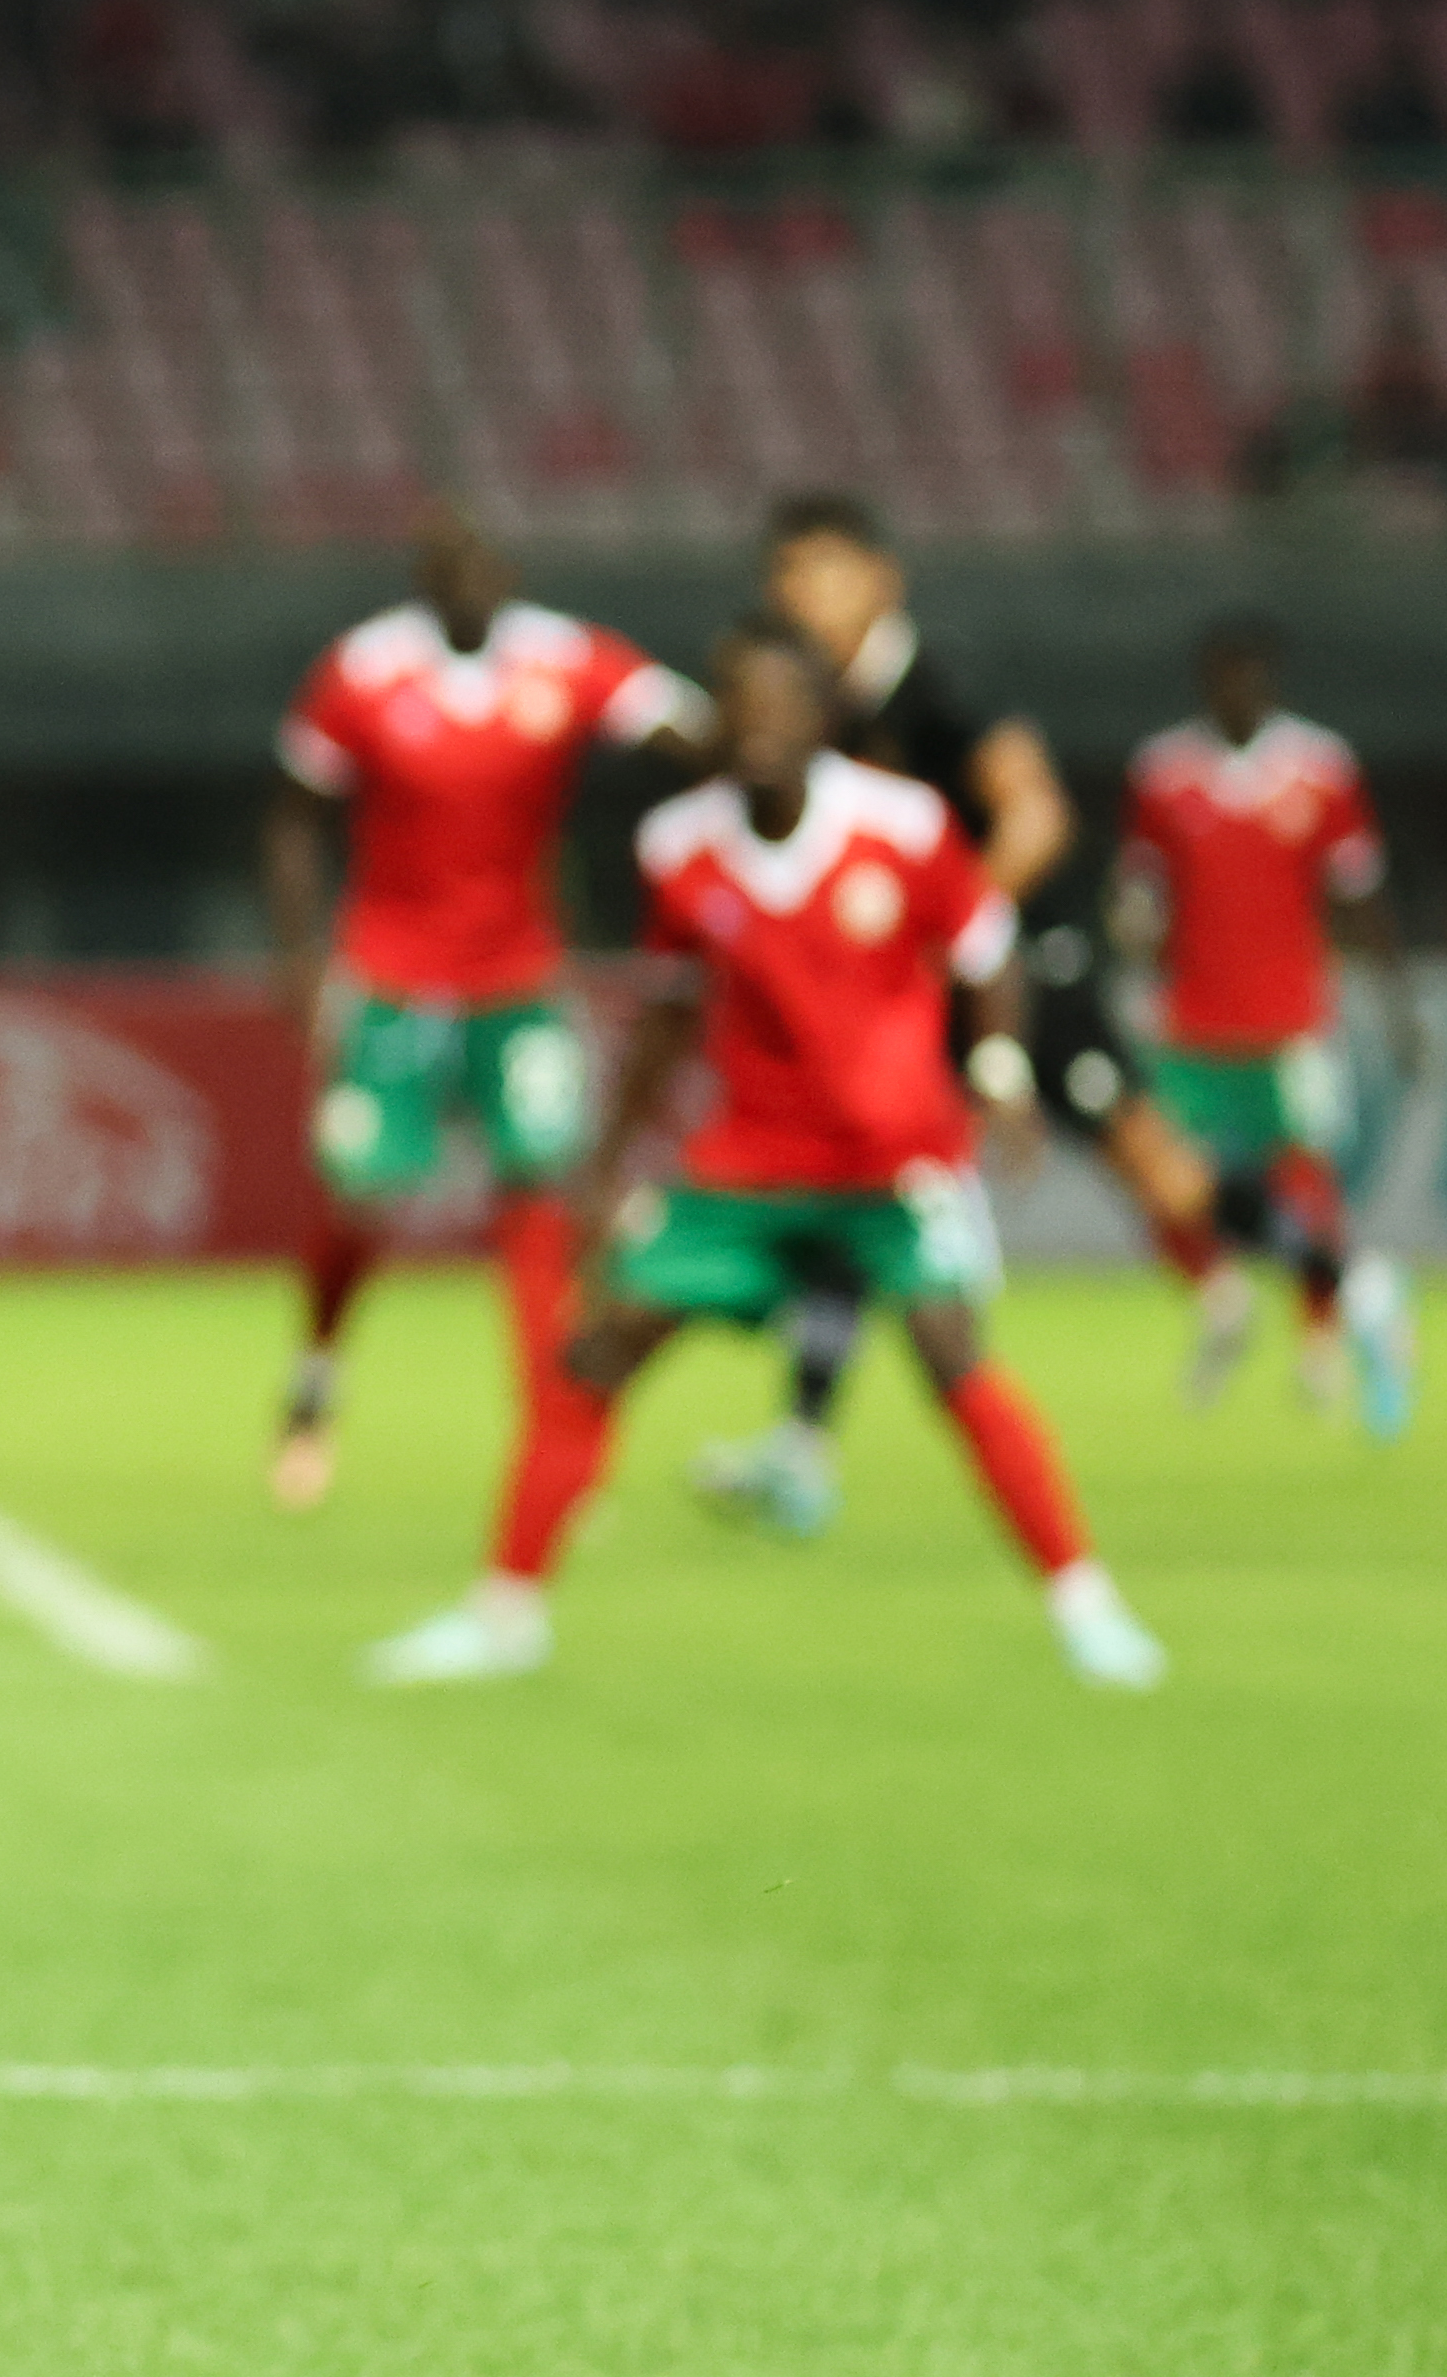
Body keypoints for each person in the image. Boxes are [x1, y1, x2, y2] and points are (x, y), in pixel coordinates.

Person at [365, 617, 1169, 1693]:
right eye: (737, 701)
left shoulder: (902, 824)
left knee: (954, 1362)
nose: (758, 724)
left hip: (890, 1162)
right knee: (596, 1351)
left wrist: (1000, 1076)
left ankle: (1086, 1606)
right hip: (743, 1164)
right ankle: (504, 1613)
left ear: (823, 720)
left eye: (782, 703)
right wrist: (608, 1162)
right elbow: (668, 1013)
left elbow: (983, 953)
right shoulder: (680, 845)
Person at [690, 495, 1212, 1539]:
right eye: (784, 576)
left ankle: (1336, 1278)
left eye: (820, 570)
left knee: (1156, 1169)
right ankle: (802, 1443)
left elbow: (1036, 816)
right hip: (936, 988)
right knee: (861, 1186)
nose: (798, 594)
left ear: (882, 578)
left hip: (1022, 969)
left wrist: (943, 925)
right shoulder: (815, 707)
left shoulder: (934, 687)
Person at [260, 505, 713, 1508]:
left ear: (510, 572)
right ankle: (313, 1382)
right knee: (361, 1196)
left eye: (484, 560)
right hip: (390, 976)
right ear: (421, 576)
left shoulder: (563, 659)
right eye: (447, 561)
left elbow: (691, 728)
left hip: (518, 978)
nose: (468, 577)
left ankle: (547, 1437)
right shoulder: (367, 669)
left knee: (539, 1197)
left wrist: (737, 761)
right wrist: (299, 963)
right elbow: (294, 817)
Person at [1118, 611, 1420, 1436]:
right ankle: (1224, 1297)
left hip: (1288, 1019)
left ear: (1271, 679)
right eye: (1222, 673)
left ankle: (1323, 1336)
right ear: (1204, 679)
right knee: (1163, 1178)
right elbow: (1140, 892)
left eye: (1250, 673)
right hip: (1191, 1017)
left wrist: (1397, 1009)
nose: (1236, 689)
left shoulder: (1319, 768)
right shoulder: (1165, 771)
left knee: (1304, 1182)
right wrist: (1132, 932)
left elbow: (1358, 893)